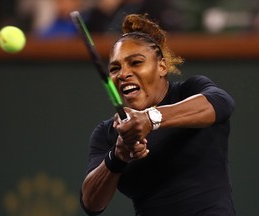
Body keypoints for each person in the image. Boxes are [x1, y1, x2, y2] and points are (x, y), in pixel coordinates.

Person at [80, 13, 236, 216]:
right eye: (115, 68)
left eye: (135, 63)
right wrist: (118, 156)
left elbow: (222, 103)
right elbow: (91, 204)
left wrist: (150, 119)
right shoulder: (107, 133)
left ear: (162, 66)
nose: (123, 73)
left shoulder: (190, 91)